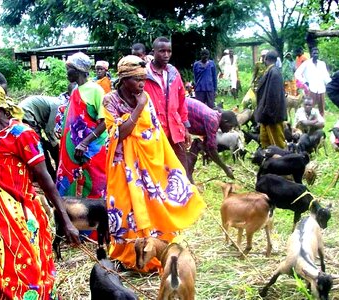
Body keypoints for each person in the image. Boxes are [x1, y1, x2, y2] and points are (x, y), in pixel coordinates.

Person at [0, 80, 80, 299]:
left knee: (21, 271)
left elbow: (45, 178)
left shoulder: (21, 134)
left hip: (16, 221)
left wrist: (65, 220)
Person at [102, 55, 205, 272]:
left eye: (143, 79)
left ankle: (154, 254)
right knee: (123, 207)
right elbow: (118, 134)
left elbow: (154, 132)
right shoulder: (110, 100)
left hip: (148, 163)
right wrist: (138, 109)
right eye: (137, 79)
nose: (142, 83)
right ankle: (128, 257)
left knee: (154, 203)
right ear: (123, 79)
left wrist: (168, 164)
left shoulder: (145, 96)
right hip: (122, 165)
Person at [56, 52, 107, 199]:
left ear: (78, 70)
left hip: (91, 150)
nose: (66, 73)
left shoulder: (96, 90)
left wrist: (85, 143)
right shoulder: (75, 91)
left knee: (93, 185)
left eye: (69, 69)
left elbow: (105, 122)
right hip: (72, 152)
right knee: (73, 185)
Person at [144, 36, 191, 169]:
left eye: (169, 51)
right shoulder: (144, 74)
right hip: (154, 132)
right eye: (162, 51)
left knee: (181, 169)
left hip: (175, 130)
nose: (166, 55)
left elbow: (182, 101)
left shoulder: (173, 72)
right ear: (153, 51)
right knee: (159, 171)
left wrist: (186, 128)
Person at [186, 97, 238, 181]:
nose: (229, 130)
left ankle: (188, 179)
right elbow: (212, 148)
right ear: (225, 121)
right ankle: (187, 180)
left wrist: (223, 165)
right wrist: (225, 169)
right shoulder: (213, 120)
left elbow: (208, 147)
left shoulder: (214, 118)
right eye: (230, 126)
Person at [19, 95, 63, 181]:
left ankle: (50, 173)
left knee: (43, 143)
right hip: (26, 114)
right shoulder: (57, 106)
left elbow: (45, 123)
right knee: (38, 146)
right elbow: (50, 130)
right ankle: (49, 174)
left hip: (29, 114)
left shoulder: (56, 104)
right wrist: (54, 145)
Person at [253, 50, 287, 149]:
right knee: (265, 140)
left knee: (277, 143)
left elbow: (274, 97)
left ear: (265, 59)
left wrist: (268, 114)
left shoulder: (274, 73)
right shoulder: (270, 71)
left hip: (272, 115)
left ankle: (283, 161)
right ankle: (269, 161)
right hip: (266, 114)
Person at [295, 47, 331, 116]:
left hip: (321, 89)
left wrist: (331, 84)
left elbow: (326, 76)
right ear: (311, 54)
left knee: (321, 109)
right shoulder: (306, 63)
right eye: (314, 53)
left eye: (317, 53)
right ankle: (309, 124)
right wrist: (305, 82)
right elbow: (297, 73)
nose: (316, 55)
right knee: (309, 109)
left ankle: (321, 124)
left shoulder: (322, 64)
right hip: (311, 89)